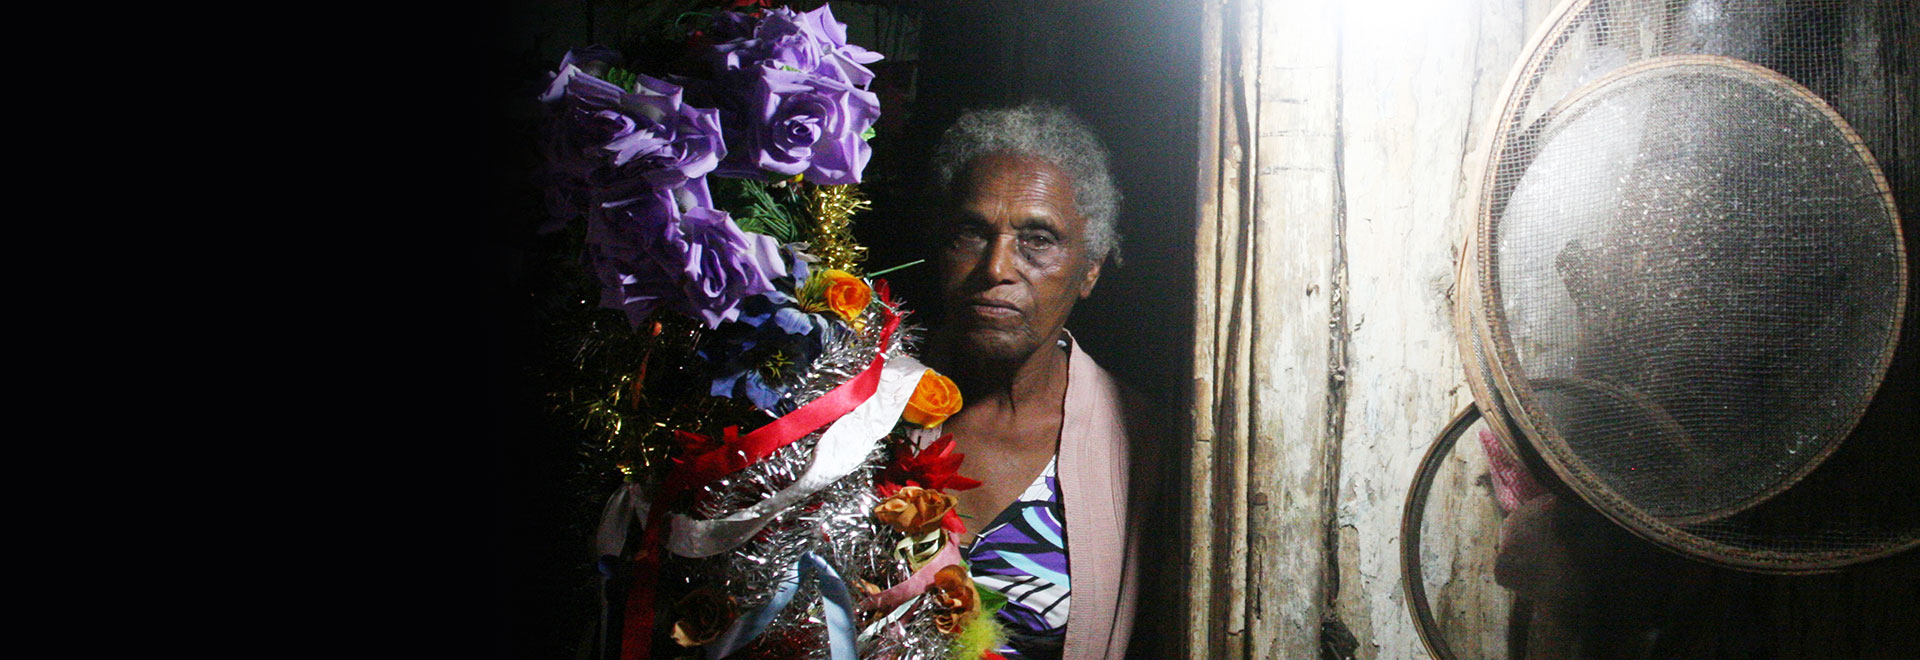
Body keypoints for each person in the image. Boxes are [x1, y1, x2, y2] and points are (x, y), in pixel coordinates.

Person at [922, 102, 1168, 660]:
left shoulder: (1143, 443)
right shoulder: (865, 409)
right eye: (971, 233)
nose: (996, 268)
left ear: (1090, 270)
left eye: (1037, 238)